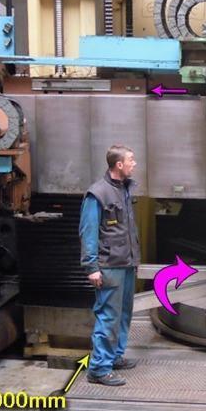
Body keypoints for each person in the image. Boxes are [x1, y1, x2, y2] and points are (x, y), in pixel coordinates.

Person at [79, 144, 141, 386]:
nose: (134, 164)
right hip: (109, 265)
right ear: (119, 164)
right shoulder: (98, 194)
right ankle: (98, 369)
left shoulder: (124, 189)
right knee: (109, 316)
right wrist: (91, 267)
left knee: (123, 314)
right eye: (131, 160)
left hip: (126, 263)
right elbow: (88, 231)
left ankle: (115, 356)